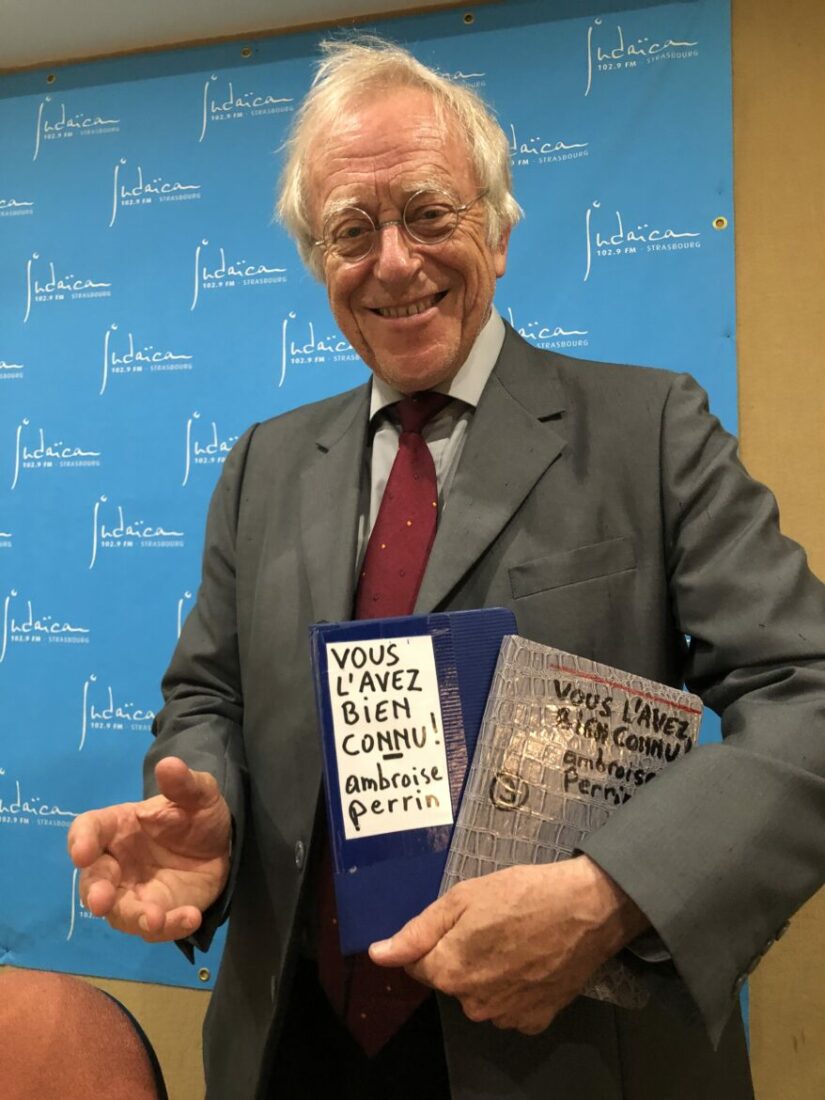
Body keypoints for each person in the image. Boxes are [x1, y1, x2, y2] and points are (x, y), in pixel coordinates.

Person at [67, 36, 825, 1100]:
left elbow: (807, 693)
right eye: (351, 230)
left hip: (565, 1052)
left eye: (428, 212)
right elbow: (208, 697)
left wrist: (611, 894)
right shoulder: (262, 464)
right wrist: (215, 814)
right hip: (295, 1048)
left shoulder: (651, 428)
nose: (393, 261)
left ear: (499, 230)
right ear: (318, 261)